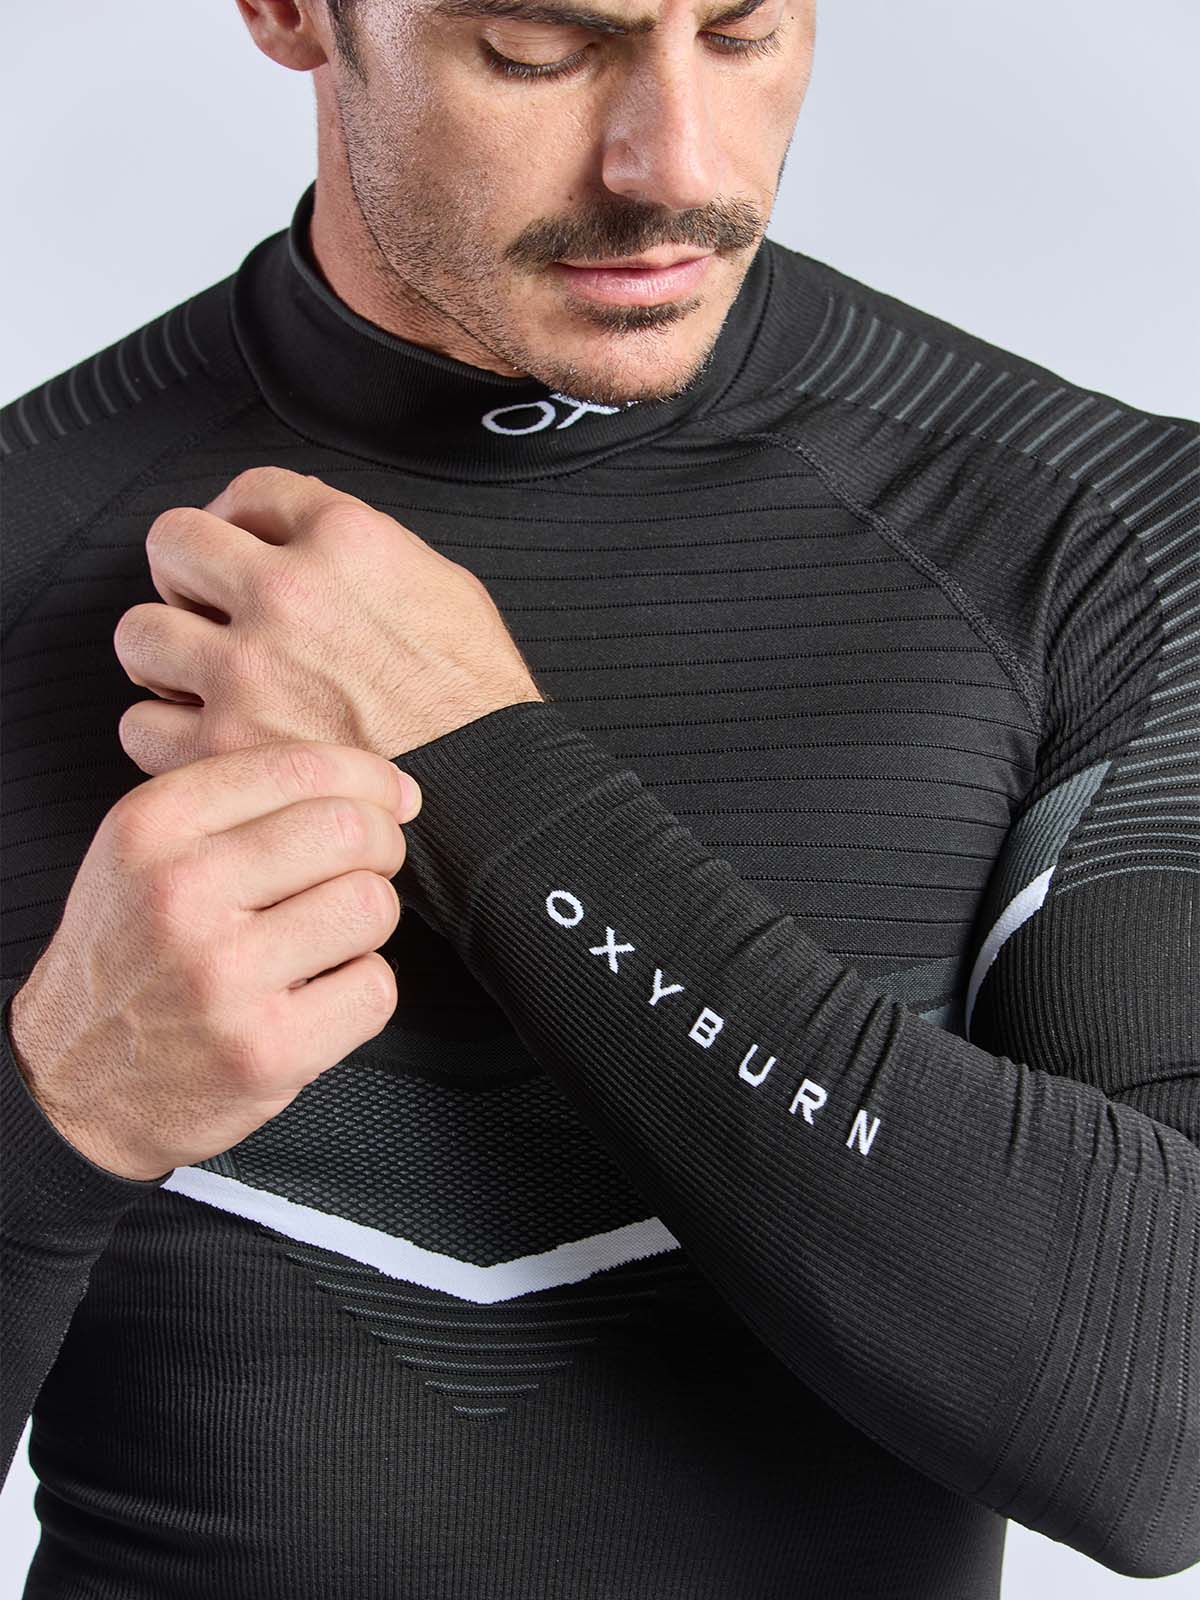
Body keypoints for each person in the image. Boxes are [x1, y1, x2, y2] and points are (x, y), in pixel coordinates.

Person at [1, 0, 1197, 1595]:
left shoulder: (1103, 544)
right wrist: (56, 1115)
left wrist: (479, 763)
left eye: (744, 31)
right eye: (541, 50)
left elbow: (1167, 1436)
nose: (675, 169)